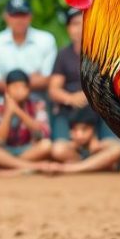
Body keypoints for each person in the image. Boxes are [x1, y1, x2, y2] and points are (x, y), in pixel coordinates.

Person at [0, 69, 53, 175]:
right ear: (7, 90)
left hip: (27, 150)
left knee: (47, 145)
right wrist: (9, 112)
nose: (19, 91)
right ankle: (33, 167)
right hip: (4, 151)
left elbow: (42, 134)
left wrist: (17, 110)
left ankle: (8, 167)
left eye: (23, 87)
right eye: (15, 87)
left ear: (28, 89)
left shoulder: (38, 106)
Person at [0, 0, 57, 98]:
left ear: (30, 16)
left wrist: (9, 81)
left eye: (23, 15)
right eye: (14, 15)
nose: (19, 20)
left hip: (38, 104)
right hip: (4, 104)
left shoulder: (46, 40)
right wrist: (32, 79)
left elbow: (48, 80)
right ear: (5, 16)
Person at [49, 8, 92, 143]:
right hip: (68, 110)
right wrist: (71, 98)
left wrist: (90, 96)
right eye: (74, 24)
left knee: (114, 148)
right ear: (68, 28)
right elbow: (54, 89)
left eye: (83, 23)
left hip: (97, 111)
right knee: (59, 149)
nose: (79, 28)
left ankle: (72, 164)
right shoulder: (63, 55)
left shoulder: (102, 54)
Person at [50, 107, 120, 174]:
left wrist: (65, 168)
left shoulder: (101, 144)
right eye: (75, 130)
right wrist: (73, 145)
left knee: (117, 149)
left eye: (84, 129)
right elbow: (58, 149)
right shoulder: (72, 148)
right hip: (79, 159)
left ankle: (72, 169)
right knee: (58, 149)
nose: (79, 135)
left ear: (93, 130)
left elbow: (117, 148)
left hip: (72, 167)